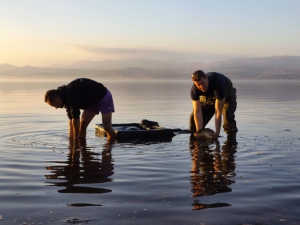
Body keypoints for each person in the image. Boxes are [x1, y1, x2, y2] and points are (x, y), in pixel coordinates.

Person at [44, 78, 116, 140]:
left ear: (57, 99)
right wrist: (71, 138)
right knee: (83, 125)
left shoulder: (70, 94)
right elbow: (71, 119)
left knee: (106, 127)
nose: (56, 108)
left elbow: (76, 117)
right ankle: (82, 147)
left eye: (54, 105)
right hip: (90, 102)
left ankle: (110, 145)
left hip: (103, 97)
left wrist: (76, 140)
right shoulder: (64, 97)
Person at [189, 70, 238, 144]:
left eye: (203, 83)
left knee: (228, 118)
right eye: (198, 85)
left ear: (206, 78)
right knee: (193, 121)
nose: (201, 87)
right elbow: (197, 111)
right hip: (209, 98)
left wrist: (217, 133)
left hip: (227, 95)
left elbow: (218, 112)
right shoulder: (194, 90)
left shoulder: (218, 84)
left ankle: (231, 143)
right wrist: (199, 132)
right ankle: (200, 146)